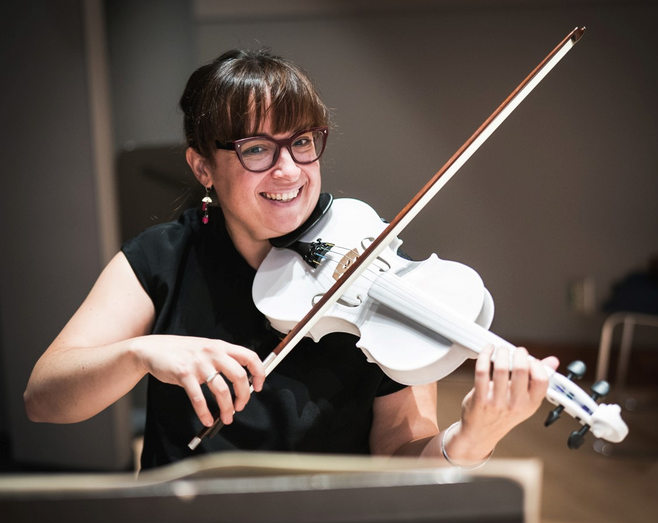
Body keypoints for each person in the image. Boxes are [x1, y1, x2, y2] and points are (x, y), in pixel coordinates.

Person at [24, 49, 558, 470]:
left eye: (302, 142)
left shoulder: (375, 273)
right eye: (256, 148)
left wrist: (472, 438)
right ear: (203, 166)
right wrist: (140, 353)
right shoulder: (165, 255)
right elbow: (45, 399)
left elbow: (398, 455)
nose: (288, 170)